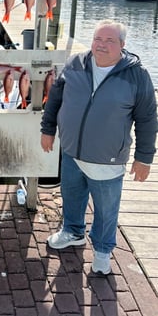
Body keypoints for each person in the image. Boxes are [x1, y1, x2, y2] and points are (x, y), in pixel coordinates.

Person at [40, 19, 157, 275]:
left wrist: (144, 158)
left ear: (122, 45)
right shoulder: (75, 63)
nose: (101, 45)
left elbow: (147, 118)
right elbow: (55, 98)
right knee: (71, 196)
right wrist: (47, 129)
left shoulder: (137, 75)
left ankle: (103, 252)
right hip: (72, 152)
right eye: (97, 39)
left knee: (106, 210)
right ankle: (73, 232)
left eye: (109, 41)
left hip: (108, 159)